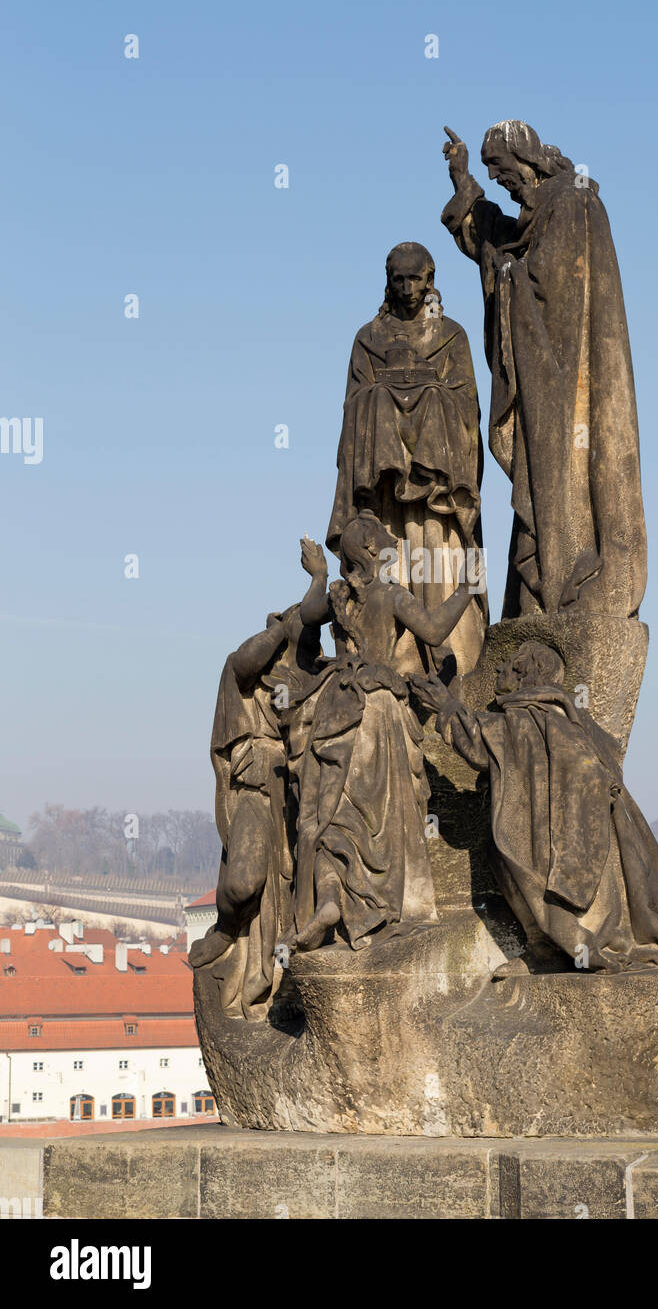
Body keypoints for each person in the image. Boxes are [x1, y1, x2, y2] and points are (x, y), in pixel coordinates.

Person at [413, 641, 658, 976]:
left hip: (572, 843)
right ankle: (550, 952)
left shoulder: (531, 716)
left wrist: (446, 707)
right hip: (587, 838)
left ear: (529, 672)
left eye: (510, 664)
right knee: (630, 919)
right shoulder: (561, 714)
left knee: (620, 923)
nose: (499, 670)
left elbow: (481, 743)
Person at [441, 121, 646, 620]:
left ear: (524, 157)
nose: (499, 181)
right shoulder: (542, 208)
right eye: (490, 174)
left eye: (500, 169)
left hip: (563, 374)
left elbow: (550, 285)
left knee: (558, 485)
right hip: (547, 375)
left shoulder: (571, 203)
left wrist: (507, 276)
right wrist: (463, 183)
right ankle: (537, 595)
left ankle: (558, 583)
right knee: (541, 488)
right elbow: (499, 244)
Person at [282, 519, 482, 953]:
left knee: (334, 814)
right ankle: (382, 905)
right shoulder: (390, 595)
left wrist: (317, 573)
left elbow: (308, 614)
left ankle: (332, 897)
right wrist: (467, 589)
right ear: (372, 549)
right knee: (383, 820)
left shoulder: (336, 597)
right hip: (377, 707)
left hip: (334, 705)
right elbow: (432, 631)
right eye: (388, 543)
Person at [327, 242, 486, 679]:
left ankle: (450, 668)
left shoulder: (451, 334)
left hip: (437, 499)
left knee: (436, 398)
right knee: (375, 398)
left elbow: (468, 407)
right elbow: (352, 404)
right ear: (388, 280)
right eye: (399, 279)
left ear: (430, 280)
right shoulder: (368, 338)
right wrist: (385, 399)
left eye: (416, 279)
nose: (407, 288)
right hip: (383, 506)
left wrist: (429, 395)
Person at [189, 604, 321, 1019]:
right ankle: (227, 929)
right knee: (244, 881)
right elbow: (242, 660)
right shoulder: (246, 679)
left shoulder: (315, 679)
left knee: (292, 891)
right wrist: (283, 626)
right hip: (253, 790)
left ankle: (276, 980)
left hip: (301, 795)